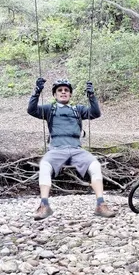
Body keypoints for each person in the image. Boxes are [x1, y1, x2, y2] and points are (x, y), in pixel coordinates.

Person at [28, 77, 115, 220]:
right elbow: (31, 110)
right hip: (56, 149)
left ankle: (101, 205)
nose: (63, 92)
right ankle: (44, 206)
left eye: (66, 90)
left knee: (95, 165)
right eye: (60, 90)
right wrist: (37, 91)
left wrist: (91, 96)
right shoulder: (50, 108)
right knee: (44, 165)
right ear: (55, 95)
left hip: (76, 149)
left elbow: (95, 113)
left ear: (70, 94)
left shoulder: (78, 109)